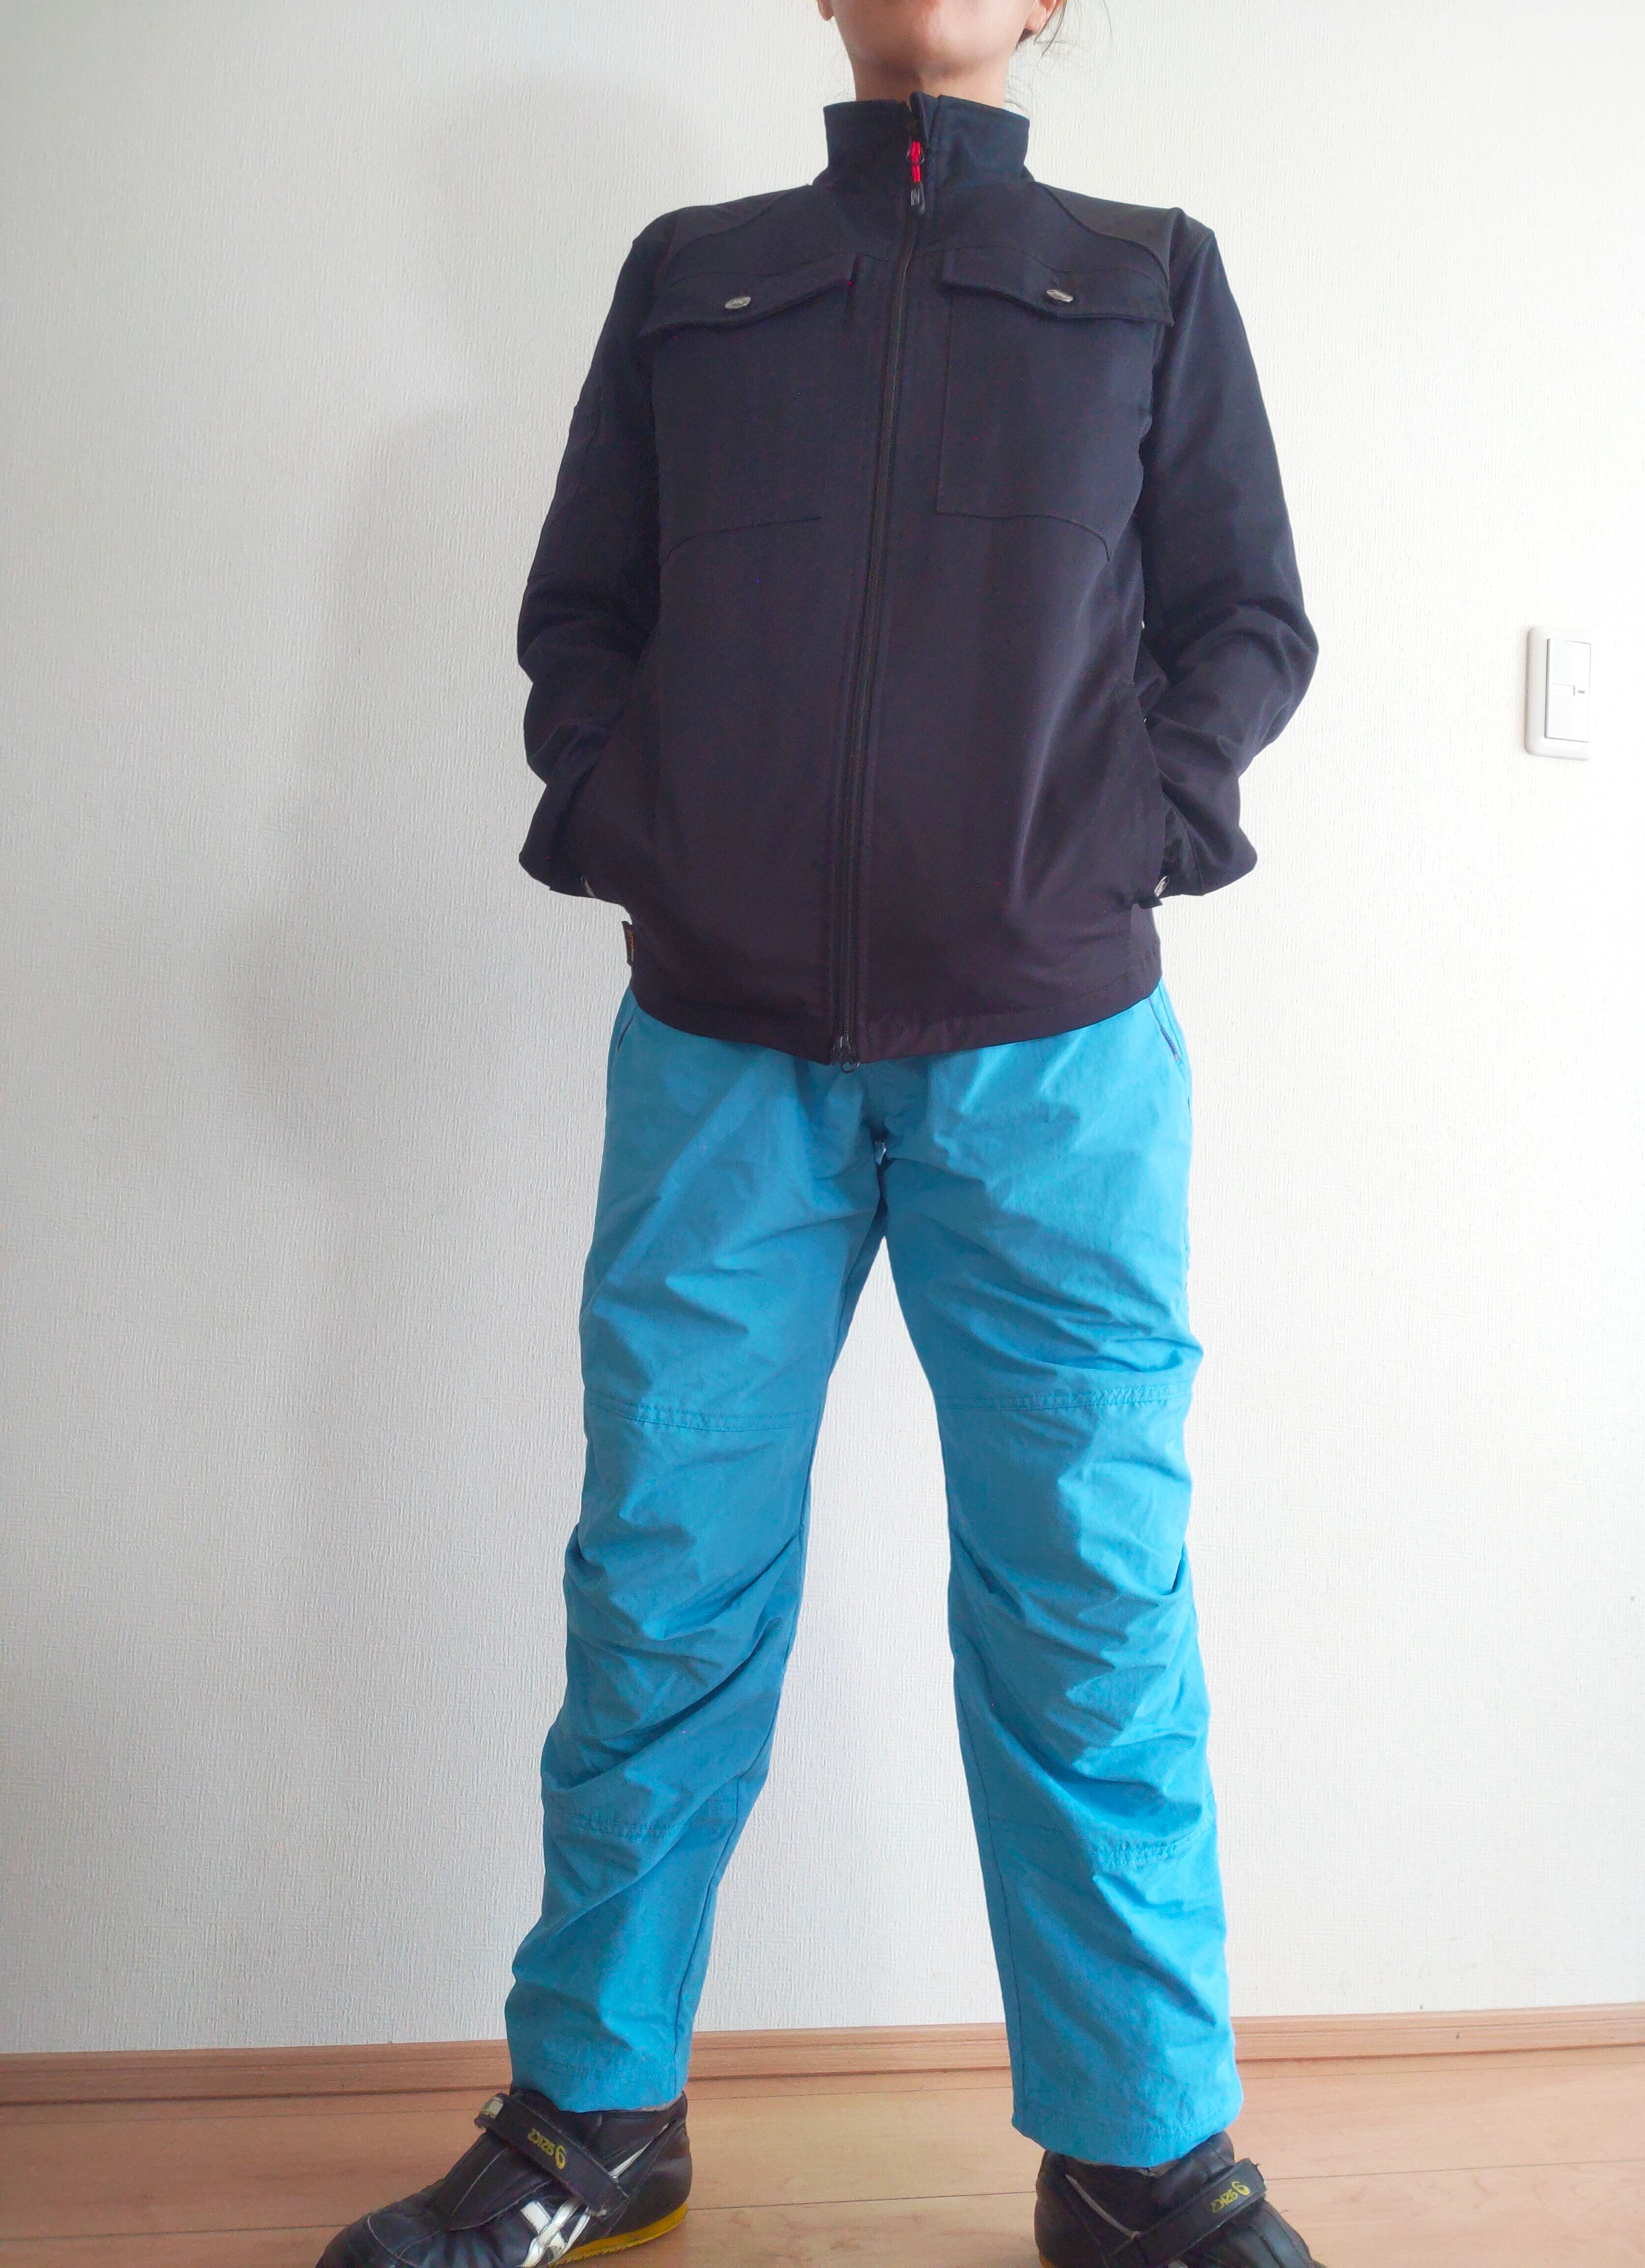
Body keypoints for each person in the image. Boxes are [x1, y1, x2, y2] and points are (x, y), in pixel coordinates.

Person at [320, 0, 1322, 2261]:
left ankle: (1140, 2157)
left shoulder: (1147, 274)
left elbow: (1248, 616)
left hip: (1054, 1062)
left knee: (1091, 1600)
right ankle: (594, 2116)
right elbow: (584, 613)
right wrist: (642, 827)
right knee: (659, 1582)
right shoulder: (695, 276)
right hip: (722, 1052)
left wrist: (1128, 837)